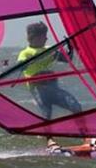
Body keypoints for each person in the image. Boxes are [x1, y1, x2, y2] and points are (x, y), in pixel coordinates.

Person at [17, 22, 82, 152]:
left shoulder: (50, 50)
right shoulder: (26, 53)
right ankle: (50, 141)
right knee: (46, 116)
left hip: (54, 89)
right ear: (34, 37)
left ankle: (87, 135)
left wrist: (72, 47)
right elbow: (20, 65)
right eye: (44, 36)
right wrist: (29, 62)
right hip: (38, 90)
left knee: (75, 106)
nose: (47, 38)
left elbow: (68, 59)